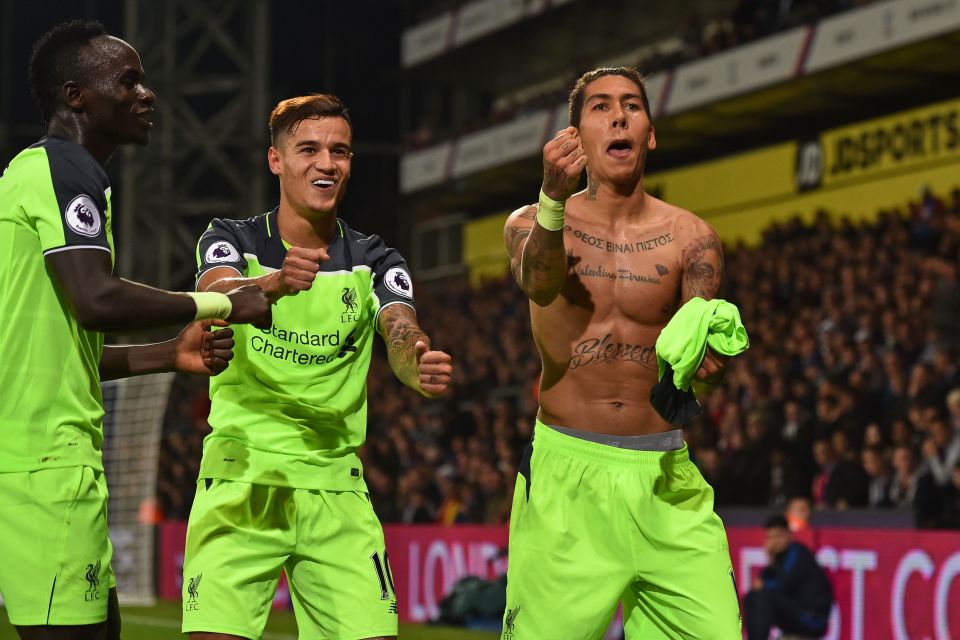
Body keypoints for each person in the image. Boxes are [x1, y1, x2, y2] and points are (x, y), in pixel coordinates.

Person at [0, 20, 271, 640]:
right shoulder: (65, 169)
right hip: (45, 462)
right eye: (128, 82)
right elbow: (97, 300)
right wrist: (220, 303)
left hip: (40, 455)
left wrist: (167, 357)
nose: (146, 94)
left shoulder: (39, 174)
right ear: (76, 96)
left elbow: (69, 349)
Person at [181, 94, 453, 640]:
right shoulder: (230, 238)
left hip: (336, 484)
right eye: (309, 149)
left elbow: (399, 326)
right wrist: (272, 283)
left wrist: (415, 361)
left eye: (340, 151)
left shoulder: (376, 258)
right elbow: (218, 291)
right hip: (242, 477)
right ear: (276, 160)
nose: (327, 164)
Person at [501, 66, 741, 639]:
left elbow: (693, 354)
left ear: (650, 133)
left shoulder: (693, 238)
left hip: (665, 477)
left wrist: (708, 365)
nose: (618, 115)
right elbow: (537, 284)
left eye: (631, 106)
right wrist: (554, 201)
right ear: (574, 136)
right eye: (601, 107)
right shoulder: (531, 222)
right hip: (567, 480)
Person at [743, 515, 833, 640]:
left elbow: (782, 584)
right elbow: (761, 582)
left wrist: (763, 585)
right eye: (770, 537)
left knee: (765, 595)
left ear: (788, 535)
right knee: (751, 597)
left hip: (813, 618)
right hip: (796, 614)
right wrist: (771, 559)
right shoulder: (778, 557)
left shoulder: (797, 552)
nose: (774, 541)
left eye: (778, 536)